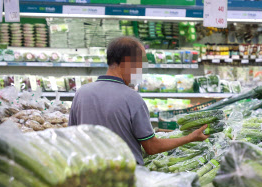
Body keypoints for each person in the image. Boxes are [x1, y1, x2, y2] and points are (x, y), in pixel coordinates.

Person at [69, 36, 208, 165]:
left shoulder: (81, 93)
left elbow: (71, 138)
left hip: (88, 173)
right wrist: (190, 138)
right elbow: (152, 147)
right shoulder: (131, 98)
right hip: (124, 177)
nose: (141, 70)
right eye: (140, 64)